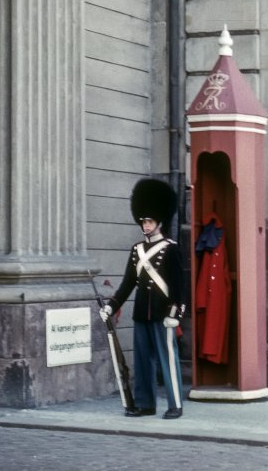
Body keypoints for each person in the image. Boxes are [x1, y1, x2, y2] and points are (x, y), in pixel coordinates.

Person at [100, 178, 185, 419]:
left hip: (163, 314)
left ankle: (175, 404)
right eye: (143, 221)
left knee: (168, 360)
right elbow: (128, 283)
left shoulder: (171, 249)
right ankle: (145, 404)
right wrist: (111, 305)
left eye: (149, 221)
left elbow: (179, 287)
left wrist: (176, 314)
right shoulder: (136, 250)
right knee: (143, 361)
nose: (145, 226)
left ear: (159, 222)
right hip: (142, 313)